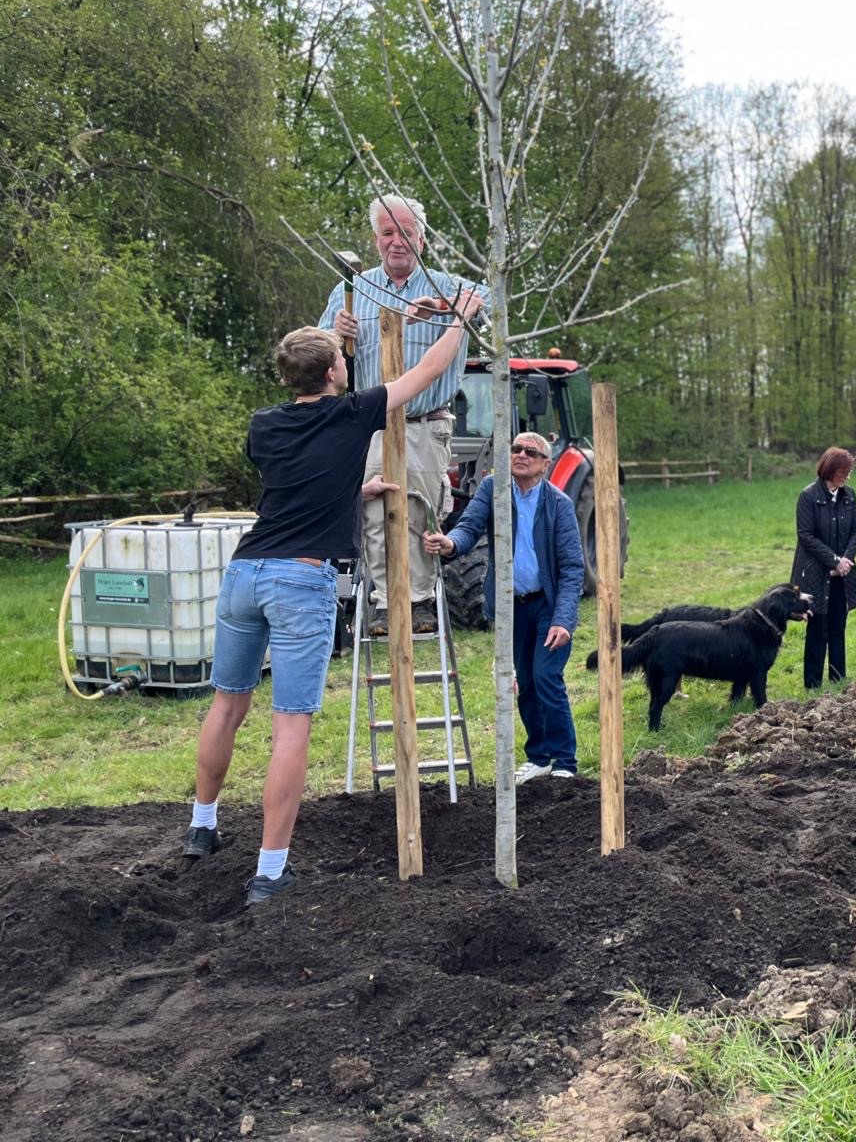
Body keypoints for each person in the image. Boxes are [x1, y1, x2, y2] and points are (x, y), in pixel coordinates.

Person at [181, 295, 483, 905]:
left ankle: (201, 827)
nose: (349, 364)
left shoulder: (263, 425)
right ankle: (270, 872)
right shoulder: (353, 413)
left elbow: (297, 481)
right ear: (333, 373)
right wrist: (461, 320)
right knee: (290, 726)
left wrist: (353, 486)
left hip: (245, 574)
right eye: (342, 360)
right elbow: (426, 373)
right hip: (299, 580)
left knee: (227, 706)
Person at [320, 193, 489, 637]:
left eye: (406, 233)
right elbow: (315, 353)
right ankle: (383, 600)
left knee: (420, 511)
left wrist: (442, 306)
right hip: (370, 423)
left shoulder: (446, 284)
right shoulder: (353, 289)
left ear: (422, 240)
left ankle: (420, 599)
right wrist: (336, 333)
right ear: (376, 238)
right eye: (387, 233)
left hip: (425, 422)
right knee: (375, 511)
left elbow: (488, 302)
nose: (397, 242)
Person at [424, 430, 585, 780]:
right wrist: (451, 544)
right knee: (525, 680)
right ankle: (539, 757)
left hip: (548, 604)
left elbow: (573, 568)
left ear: (545, 464)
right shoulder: (493, 489)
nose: (521, 454)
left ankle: (564, 762)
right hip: (513, 606)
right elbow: (469, 526)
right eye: (516, 448)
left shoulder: (559, 505)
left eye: (531, 451)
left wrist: (563, 620)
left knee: (546, 676)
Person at [791, 447, 856, 689]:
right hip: (815, 573)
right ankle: (812, 685)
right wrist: (834, 561)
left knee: (838, 625)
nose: (847, 477)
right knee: (817, 628)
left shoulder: (849, 495)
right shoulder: (808, 496)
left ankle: (838, 679)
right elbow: (806, 535)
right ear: (829, 470)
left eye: (849, 472)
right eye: (843, 472)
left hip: (843, 572)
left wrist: (845, 562)